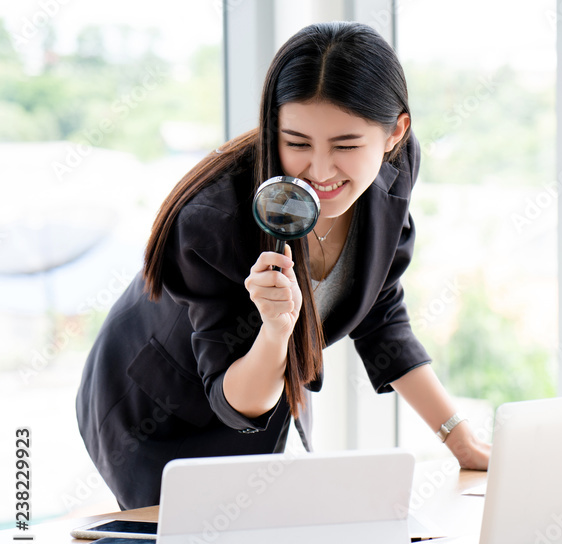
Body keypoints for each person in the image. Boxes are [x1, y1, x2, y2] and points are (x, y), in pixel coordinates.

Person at [76, 22, 491, 510]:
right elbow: (238, 400)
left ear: (394, 134)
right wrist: (276, 331)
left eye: (346, 146)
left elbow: (379, 308)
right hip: (159, 413)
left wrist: (459, 439)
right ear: (273, 127)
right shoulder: (214, 220)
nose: (318, 172)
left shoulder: (394, 169)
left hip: (268, 388)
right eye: (296, 143)